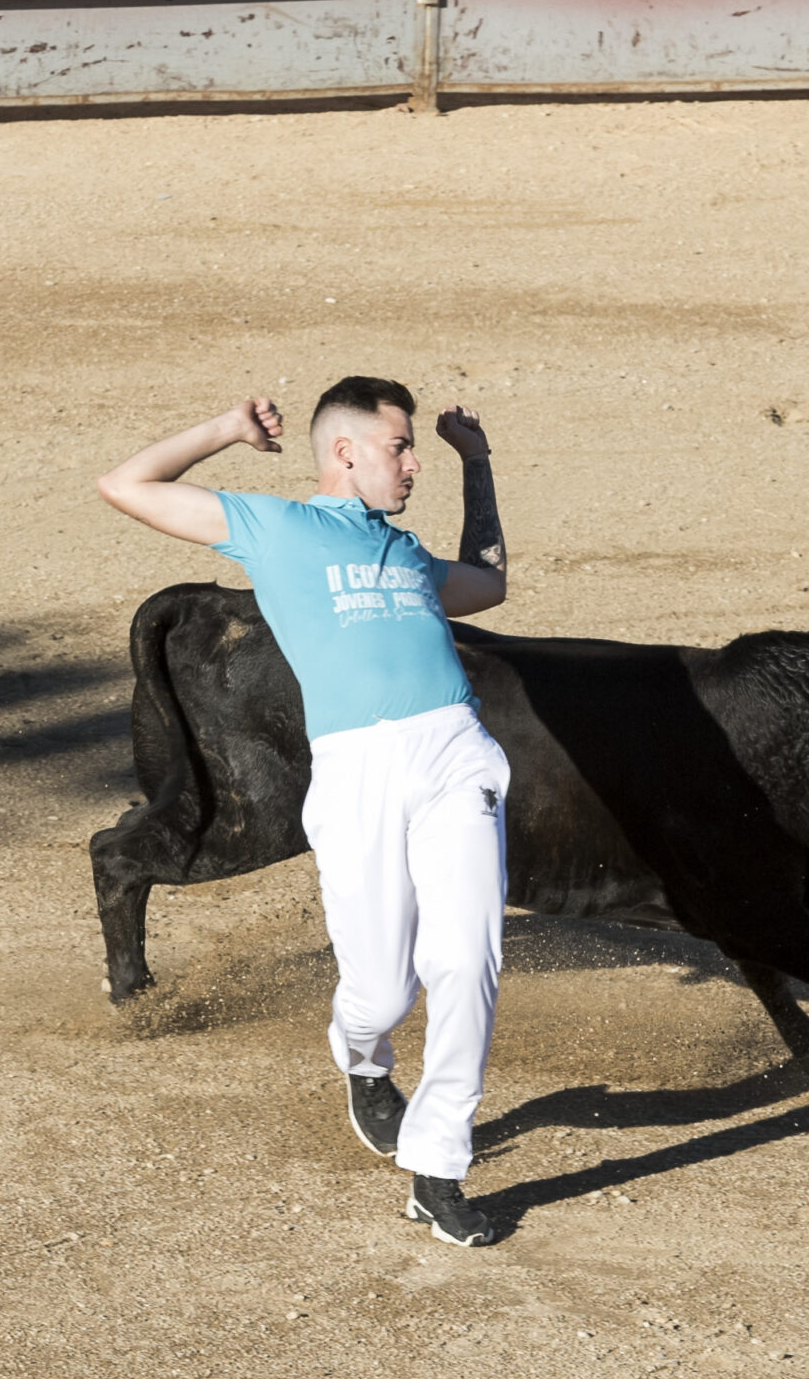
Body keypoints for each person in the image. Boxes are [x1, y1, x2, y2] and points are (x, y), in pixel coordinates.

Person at [95, 377, 512, 1247]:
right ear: (345, 453)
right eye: (400, 447)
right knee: (381, 989)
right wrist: (222, 428)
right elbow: (123, 487)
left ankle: (437, 1167)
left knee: (466, 960)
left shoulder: (407, 555)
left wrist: (479, 467)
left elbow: (488, 586)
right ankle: (363, 1062)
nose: (412, 464)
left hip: (454, 755)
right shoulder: (276, 527)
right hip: (358, 769)